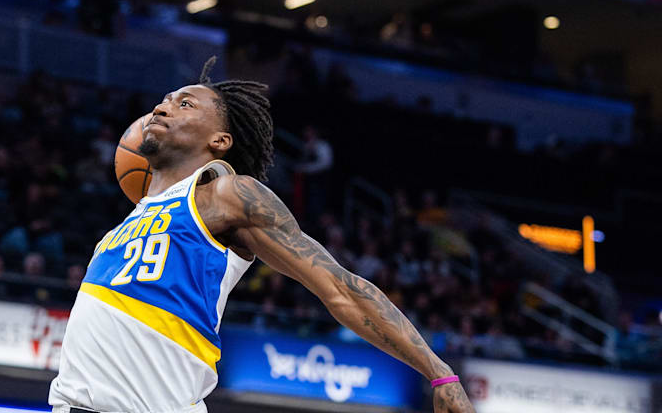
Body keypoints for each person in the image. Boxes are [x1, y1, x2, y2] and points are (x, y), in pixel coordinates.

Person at [48, 57, 473, 413]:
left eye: (185, 104)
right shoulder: (123, 227)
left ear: (220, 140)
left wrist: (440, 372)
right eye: (163, 101)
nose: (163, 107)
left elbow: (342, 289)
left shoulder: (227, 194)